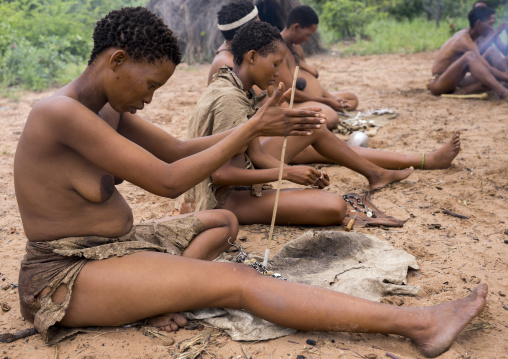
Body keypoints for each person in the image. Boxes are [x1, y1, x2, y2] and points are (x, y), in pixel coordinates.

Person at [13, 8, 487, 358]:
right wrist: (249, 129)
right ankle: (419, 325)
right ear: (116, 61)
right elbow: (167, 180)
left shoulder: (108, 108)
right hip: (64, 275)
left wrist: (263, 127)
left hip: (113, 248)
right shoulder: (58, 113)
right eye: (149, 85)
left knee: (221, 220)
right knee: (239, 281)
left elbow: (178, 149)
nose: (150, 98)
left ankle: (160, 291)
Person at [207, 1, 461, 177]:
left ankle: (416, 161)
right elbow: (239, 133)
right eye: (257, 25)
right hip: (256, 145)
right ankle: (418, 161)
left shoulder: (237, 58)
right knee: (337, 145)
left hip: (260, 140)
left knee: (337, 146)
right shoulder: (229, 64)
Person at [278, 5, 359, 129]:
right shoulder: (278, 50)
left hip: (318, 98)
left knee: (352, 99)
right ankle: (327, 108)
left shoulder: (297, 48)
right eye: (307, 35)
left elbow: (311, 77)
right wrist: (325, 101)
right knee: (331, 118)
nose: (308, 39)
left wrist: (330, 97)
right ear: (296, 27)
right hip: (298, 103)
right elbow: (291, 93)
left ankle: (328, 106)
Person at [428, 6, 508, 99]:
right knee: (470, 57)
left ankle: (465, 91)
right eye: (490, 24)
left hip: (457, 82)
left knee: (492, 51)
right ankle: (503, 92)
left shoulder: (473, 35)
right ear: (478, 23)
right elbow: (488, 68)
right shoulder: (464, 40)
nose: (491, 28)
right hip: (439, 84)